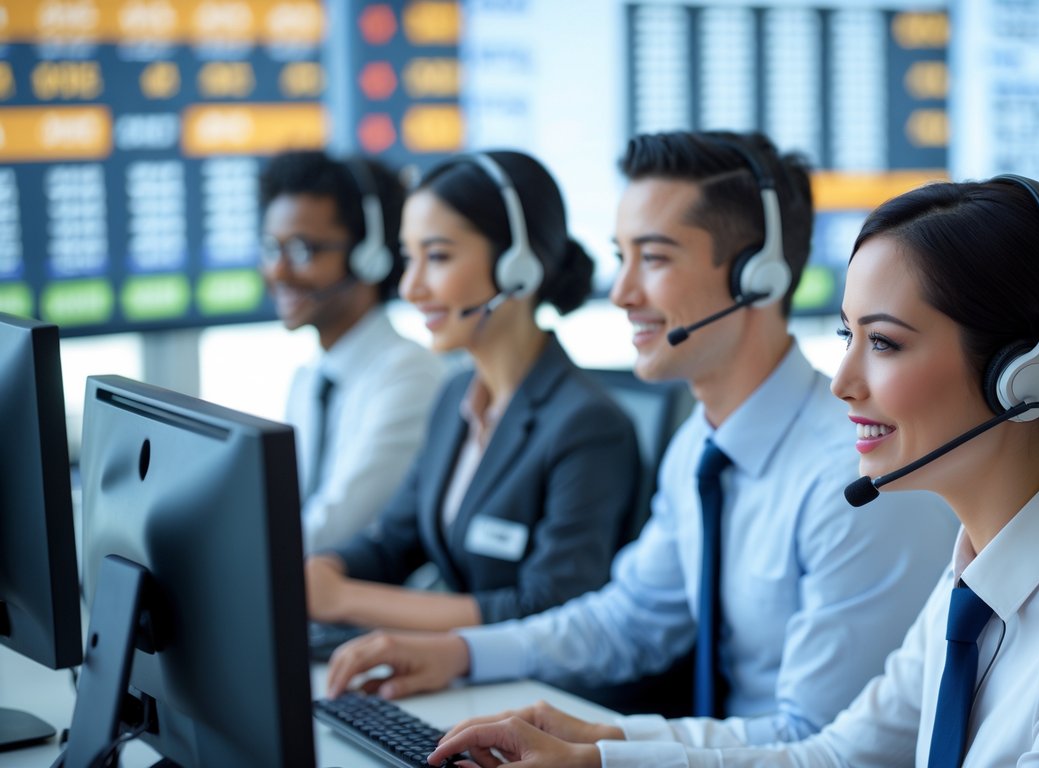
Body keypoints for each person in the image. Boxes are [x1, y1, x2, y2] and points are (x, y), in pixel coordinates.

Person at [426, 176, 1039, 767]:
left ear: (1022, 377)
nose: (843, 381)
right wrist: (600, 751)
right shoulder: (974, 585)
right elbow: (838, 756)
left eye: (881, 343)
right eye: (845, 335)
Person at [326, 131, 958, 740]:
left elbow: (821, 743)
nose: (623, 292)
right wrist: (459, 654)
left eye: (652, 258)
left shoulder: (851, 480)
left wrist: (606, 749)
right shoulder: (699, 447)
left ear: (756, 277)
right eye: (621, 256)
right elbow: (630, 621)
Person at [304, 150, 640, 634]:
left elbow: (548, 609)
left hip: (541, 692)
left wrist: (342, 599)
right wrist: (325, 569)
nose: (411, 286)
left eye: (437, 257)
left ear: (516, 266)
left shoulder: (587, 426)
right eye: (408, 259)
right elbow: (394, 543)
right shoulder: (455, 396)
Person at [260, 151, 446, 552]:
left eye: (302, 250)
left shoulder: (410, 375)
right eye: (272, 248)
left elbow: (334, 528)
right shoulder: (309, 379)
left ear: (369, 254)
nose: (278, 271)